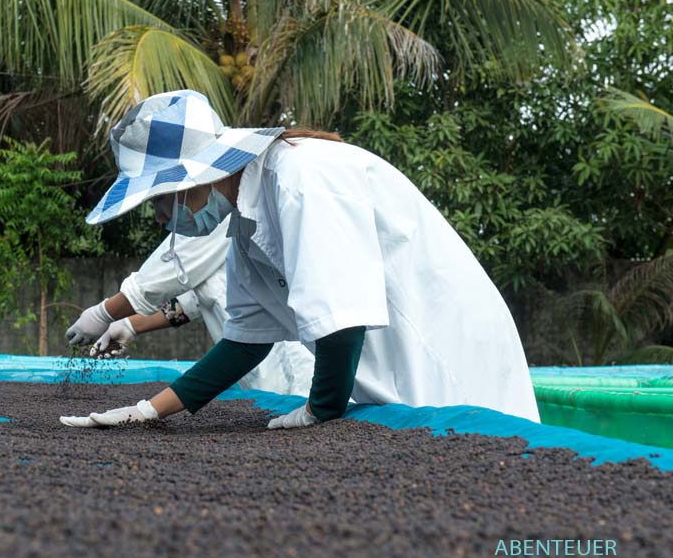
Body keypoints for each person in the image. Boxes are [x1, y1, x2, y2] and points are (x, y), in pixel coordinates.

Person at [62, 90, 539, 429]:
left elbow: (343, 317)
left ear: (196, 176)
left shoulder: (300, 178)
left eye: (161, 199)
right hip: (391, 371)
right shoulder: (246, 222)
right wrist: (149, 411)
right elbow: (246, 341)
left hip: (444, 352)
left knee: (480, 447)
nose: (163, 215)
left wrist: (321, 409)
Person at [76, 221, 315, 396]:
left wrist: (104, 312)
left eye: (160, 200)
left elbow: (158, 276)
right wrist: (130, 325)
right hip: (262, 383)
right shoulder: (221, 250)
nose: (160, 215)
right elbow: (194, 299)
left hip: (298, 372)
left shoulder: (218, 223)